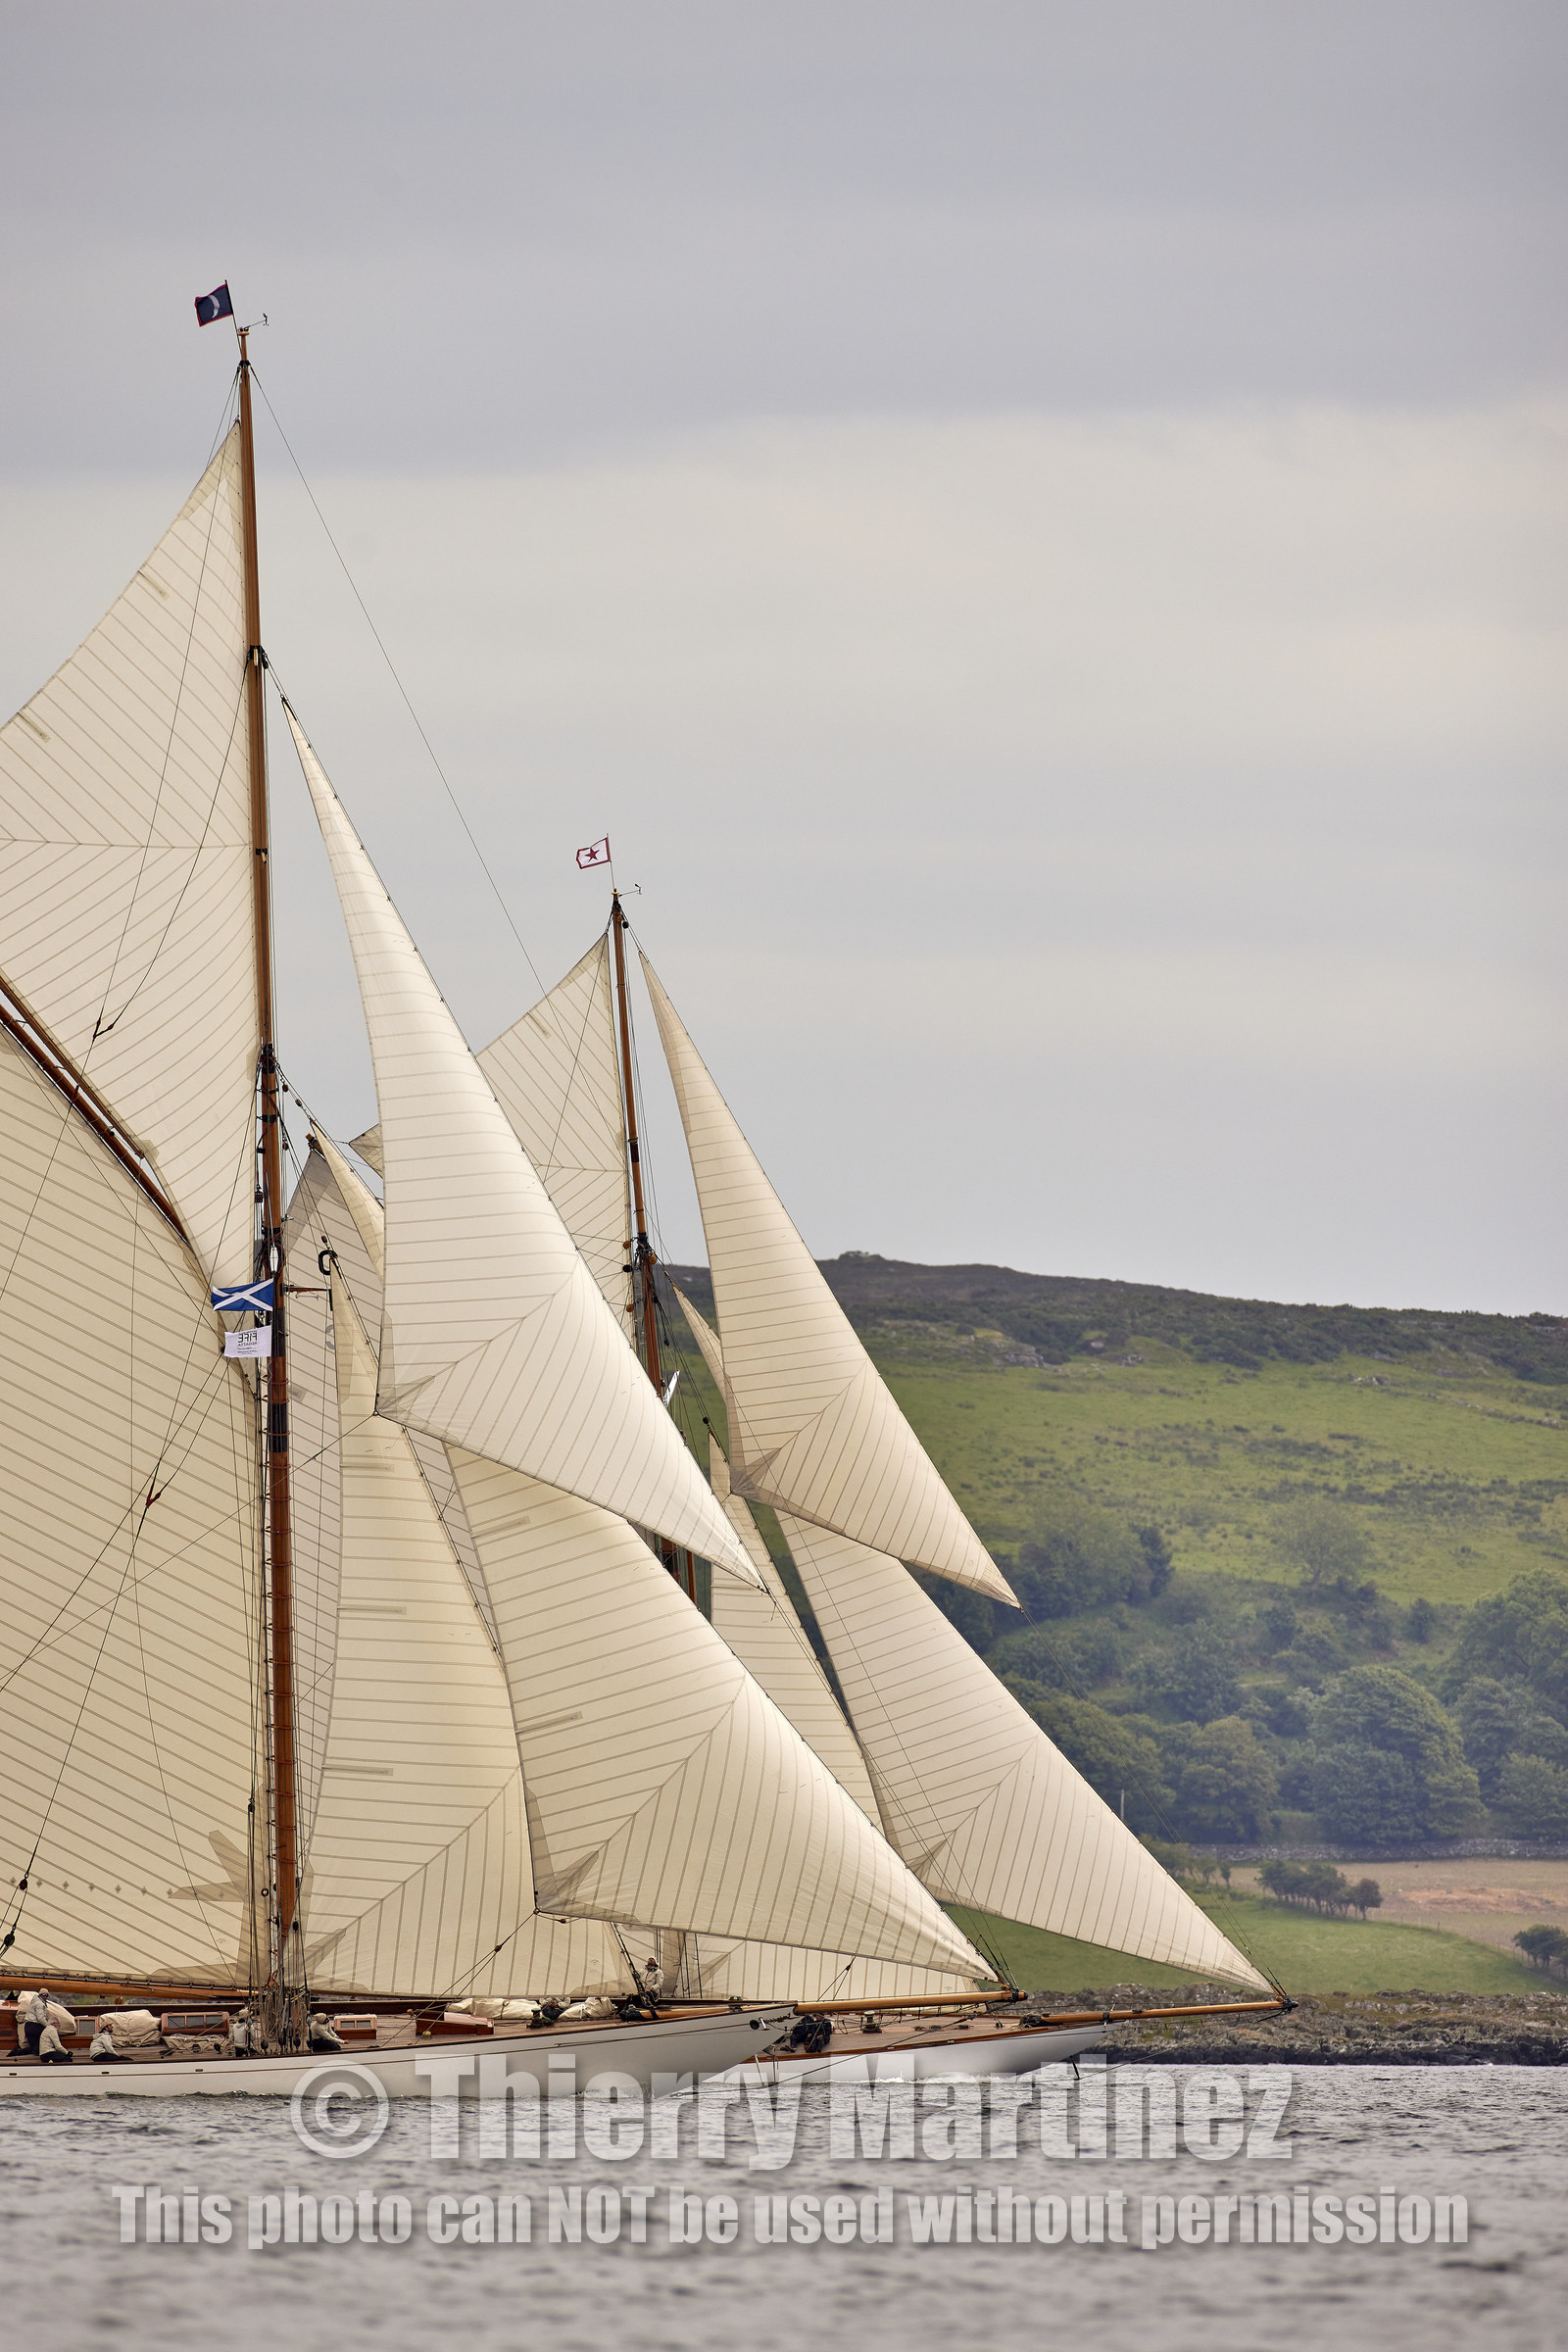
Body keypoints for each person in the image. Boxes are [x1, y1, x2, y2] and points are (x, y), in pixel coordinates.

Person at [22, 1987, 51, 2056]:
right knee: (50, 2033)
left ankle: (16, 2053)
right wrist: (48, 2026)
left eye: (47, 1995)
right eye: (43, 1995)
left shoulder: (34, 2002)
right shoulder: (40, 2004)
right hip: (34, 2026)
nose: (45, 1997)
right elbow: (40, 2018)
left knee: (35, 2049)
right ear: (40, 1995)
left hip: (28, 2027)